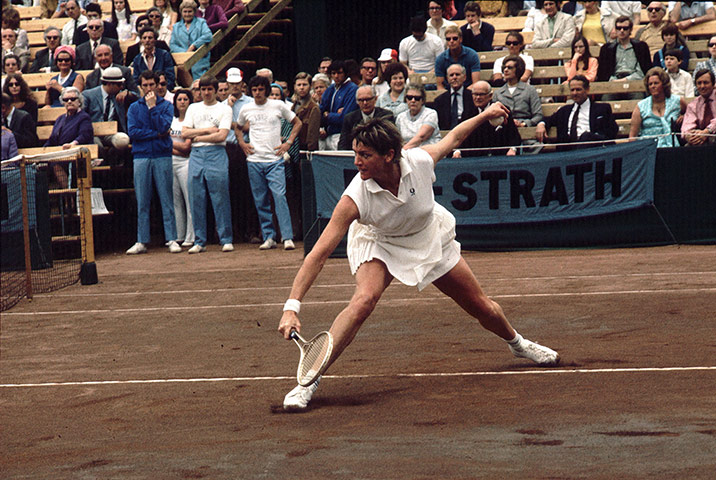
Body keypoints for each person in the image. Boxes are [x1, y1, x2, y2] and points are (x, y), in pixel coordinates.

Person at [277, 108, 560, 411]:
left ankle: (517, 344)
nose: (356, 161)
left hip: (427, 237)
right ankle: (310, 379)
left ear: (389, 155)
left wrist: (485, 115)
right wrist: (292, 307)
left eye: (364, 155)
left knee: (481, 306)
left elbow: (454, 137)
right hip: (380, 242)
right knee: (363, 301)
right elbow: (318, 254)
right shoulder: (354, 198)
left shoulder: (420, 161)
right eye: (355, 153)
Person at [237, 75, 301, 251]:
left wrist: (287, 143)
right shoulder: (246, 108)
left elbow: (297, 123)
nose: (257, 93)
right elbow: (237, 126)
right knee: (261, 200)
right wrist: (242, 143)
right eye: (254, 90)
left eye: (261, 89)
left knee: (280, 197)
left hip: (275, 160)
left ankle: (287, 237)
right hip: (254, 160)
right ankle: (269, 236)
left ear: (266, 90)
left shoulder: (278, 105)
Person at [126, 70, 179, 255]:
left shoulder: (166, 106)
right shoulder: (133, 108)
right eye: (145, 85)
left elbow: (164, 126)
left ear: (157, 85)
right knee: (142, 200)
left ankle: (171, 239)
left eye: (152, 85)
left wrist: (152, 108)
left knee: (166, 198)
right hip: (141, 156)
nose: (148, 88)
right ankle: (141, 241)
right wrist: (155, 134)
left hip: (162, 155)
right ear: (141, 86)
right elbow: (133, 132)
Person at [182, 74, 235, 253]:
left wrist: (197, 136)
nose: (206, 93)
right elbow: (184, 133)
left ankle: (226, 239)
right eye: (202, 89)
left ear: (215, 90)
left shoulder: (225, 109)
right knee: (196, 197)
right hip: (196, 154)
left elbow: (221, 135)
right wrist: (205, 131)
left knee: (220, 197)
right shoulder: (193, 108)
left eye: (209, 89)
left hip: (216, 153)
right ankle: (200, 240)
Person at [536, 75, 618, 148]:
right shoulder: (564, 111)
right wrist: (541, 124)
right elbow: (549, 120)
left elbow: (612, 131)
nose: (575, 93)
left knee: (586, 136)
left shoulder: (602, 109)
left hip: (592, 149)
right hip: (568, 152)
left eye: (578, 90)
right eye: (572, 90)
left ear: (587, 90)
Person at [453, 80, 521, 157]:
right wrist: (457, 151)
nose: (478, 97)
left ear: (490, 95)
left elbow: (514, 136)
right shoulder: (467, 113)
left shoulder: (501, 110)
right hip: (474, 158)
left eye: (481, 94)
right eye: (475, 94)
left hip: (499, 157)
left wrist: (512, 149)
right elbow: (462, 136)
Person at [43, 87, 94, 187]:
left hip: (77, 154)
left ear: (79, 101)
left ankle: (69, 194)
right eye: (66, 100)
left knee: (56, 165)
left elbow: (84, 135)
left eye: (73, 99)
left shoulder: (84, 117)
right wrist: (43, 151)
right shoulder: (60, 119)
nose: (69, 102)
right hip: (61, 154)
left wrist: (73, 144)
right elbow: (52, 139)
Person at [82, 66, 135, 160]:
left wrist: (128, 93)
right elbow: (82, 116)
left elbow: (138, 97)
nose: (122, 87)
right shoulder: (88, 95)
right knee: (97, 147)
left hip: (111, 133)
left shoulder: (120, 94)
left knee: (123, 140)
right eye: (119, 84)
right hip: (94, 133)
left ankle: (114, 167)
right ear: (110, 84)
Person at [629, 66, 688, 148]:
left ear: (664, 84)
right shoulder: (641, 106)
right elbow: (633, 137)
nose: (653, 86)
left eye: (656, 83)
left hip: (671, 148)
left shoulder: (678, 101)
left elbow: (690, 115)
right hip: (648, 149)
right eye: (650, 84)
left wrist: (684, 116)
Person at [170, 88, 195, 246]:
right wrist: (174, 148)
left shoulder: (192, 121)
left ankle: (191, 237)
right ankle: (179, 235)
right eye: (179, 99)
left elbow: (187, 148)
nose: (182, 102)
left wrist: (170, 146)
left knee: (189, 199)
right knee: (176, 200)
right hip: (171, 162)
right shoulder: (171, 120)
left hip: (186, 163)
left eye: (186, 99)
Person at [596, 16, 652, 86]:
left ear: (630, 30)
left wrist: (626, 80)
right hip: (612, 84)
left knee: (638, 95)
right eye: (619, 28)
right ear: (615, 30)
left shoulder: (641, 47)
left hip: (635, 83)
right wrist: (614, 81)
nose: (622, 30)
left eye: (625, 28)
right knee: (606, 97)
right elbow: (604, 73)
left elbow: (642, 71)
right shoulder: (607, 49)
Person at [338, 85, 395, 150]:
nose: (365, 103)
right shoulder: (349, 119)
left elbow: (391, 142)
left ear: (375, 99)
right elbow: (343, 144)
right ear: (357, 102)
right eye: (361, 100)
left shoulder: (386, 116)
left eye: (368, 99)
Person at [318, 60, 359, 151]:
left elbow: (345, 118)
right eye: (333, 73)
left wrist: (328, 115)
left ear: (345, 73)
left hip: (342, 135)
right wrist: (330, 115)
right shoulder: (331, 89)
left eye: (339, 73)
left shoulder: (352, 89)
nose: (336, 76)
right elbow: (320, 111)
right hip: (327, 134)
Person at [493, 55, 543, 128]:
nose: (505, 70)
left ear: (518, 69)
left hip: (525, 130)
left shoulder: (530, 90)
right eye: (504, 67)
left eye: (510, 68)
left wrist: (524, 124)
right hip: (504, 130)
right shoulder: (498, 93)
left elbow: (538, 115)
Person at [170, 1, 213, 81]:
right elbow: (172, 45)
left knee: (200, 78)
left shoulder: (201, 22)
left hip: (199, 59)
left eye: (190, 11)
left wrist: (193, 46)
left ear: (194, 12)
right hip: (182, 60)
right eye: (185, 11)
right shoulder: (176, 27)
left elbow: (208, 35)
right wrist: (185, 53)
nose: (187, 14)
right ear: (181, 12)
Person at [435, 25, 481, 90]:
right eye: (448, 39)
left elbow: (475, 83)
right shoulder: (440, 59)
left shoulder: (472, 55)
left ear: (461, 39)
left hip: (468, 91)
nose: (451, 41)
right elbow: (440, 86)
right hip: (448, 93)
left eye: (455, 38)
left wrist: (462, 94)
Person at [396, 84, 441, 148]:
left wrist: (403, 151)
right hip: (408, 153)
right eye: (409, 97)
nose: (413, 100)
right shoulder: (400, 117)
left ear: (422, 100)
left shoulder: (431, 114)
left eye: (417, 98)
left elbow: (421, 137)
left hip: (428, 152)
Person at [434, 64, 477, 130]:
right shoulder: (440, 100)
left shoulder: (473, 97)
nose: (454, 77)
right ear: (448, 79)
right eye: (451, 75)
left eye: (457, 74)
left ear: (464, 77)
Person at [681, 69, 716, 145]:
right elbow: (686, 126)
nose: (702, 86)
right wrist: (690, 136)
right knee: (688, 146)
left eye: (705, 83)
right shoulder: (693, 105)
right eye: (699, 83)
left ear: (713, 84)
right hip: (702, 140)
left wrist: (707, 132)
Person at [292, 72, 321, 151]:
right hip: (292, 148)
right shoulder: (293, 106)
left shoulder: (313, 108)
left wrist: (309, 151)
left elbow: (313, 136)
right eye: (299, 85)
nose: (301, 87)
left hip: (305, 150)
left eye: (304, 85)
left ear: (310, 86)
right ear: (295, 87)